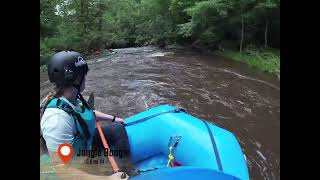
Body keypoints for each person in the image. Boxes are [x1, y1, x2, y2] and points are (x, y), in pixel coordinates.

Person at [40, 51, 135, 179]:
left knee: (117, 129)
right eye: (84, 75)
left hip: (83, 144)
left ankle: (125, 170)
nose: (85, 78)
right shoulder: (57, 120)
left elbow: (85, 114)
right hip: (72, 160)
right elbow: (61, 171)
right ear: (77, 78)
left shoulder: (72, 98)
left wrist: (114, 118)